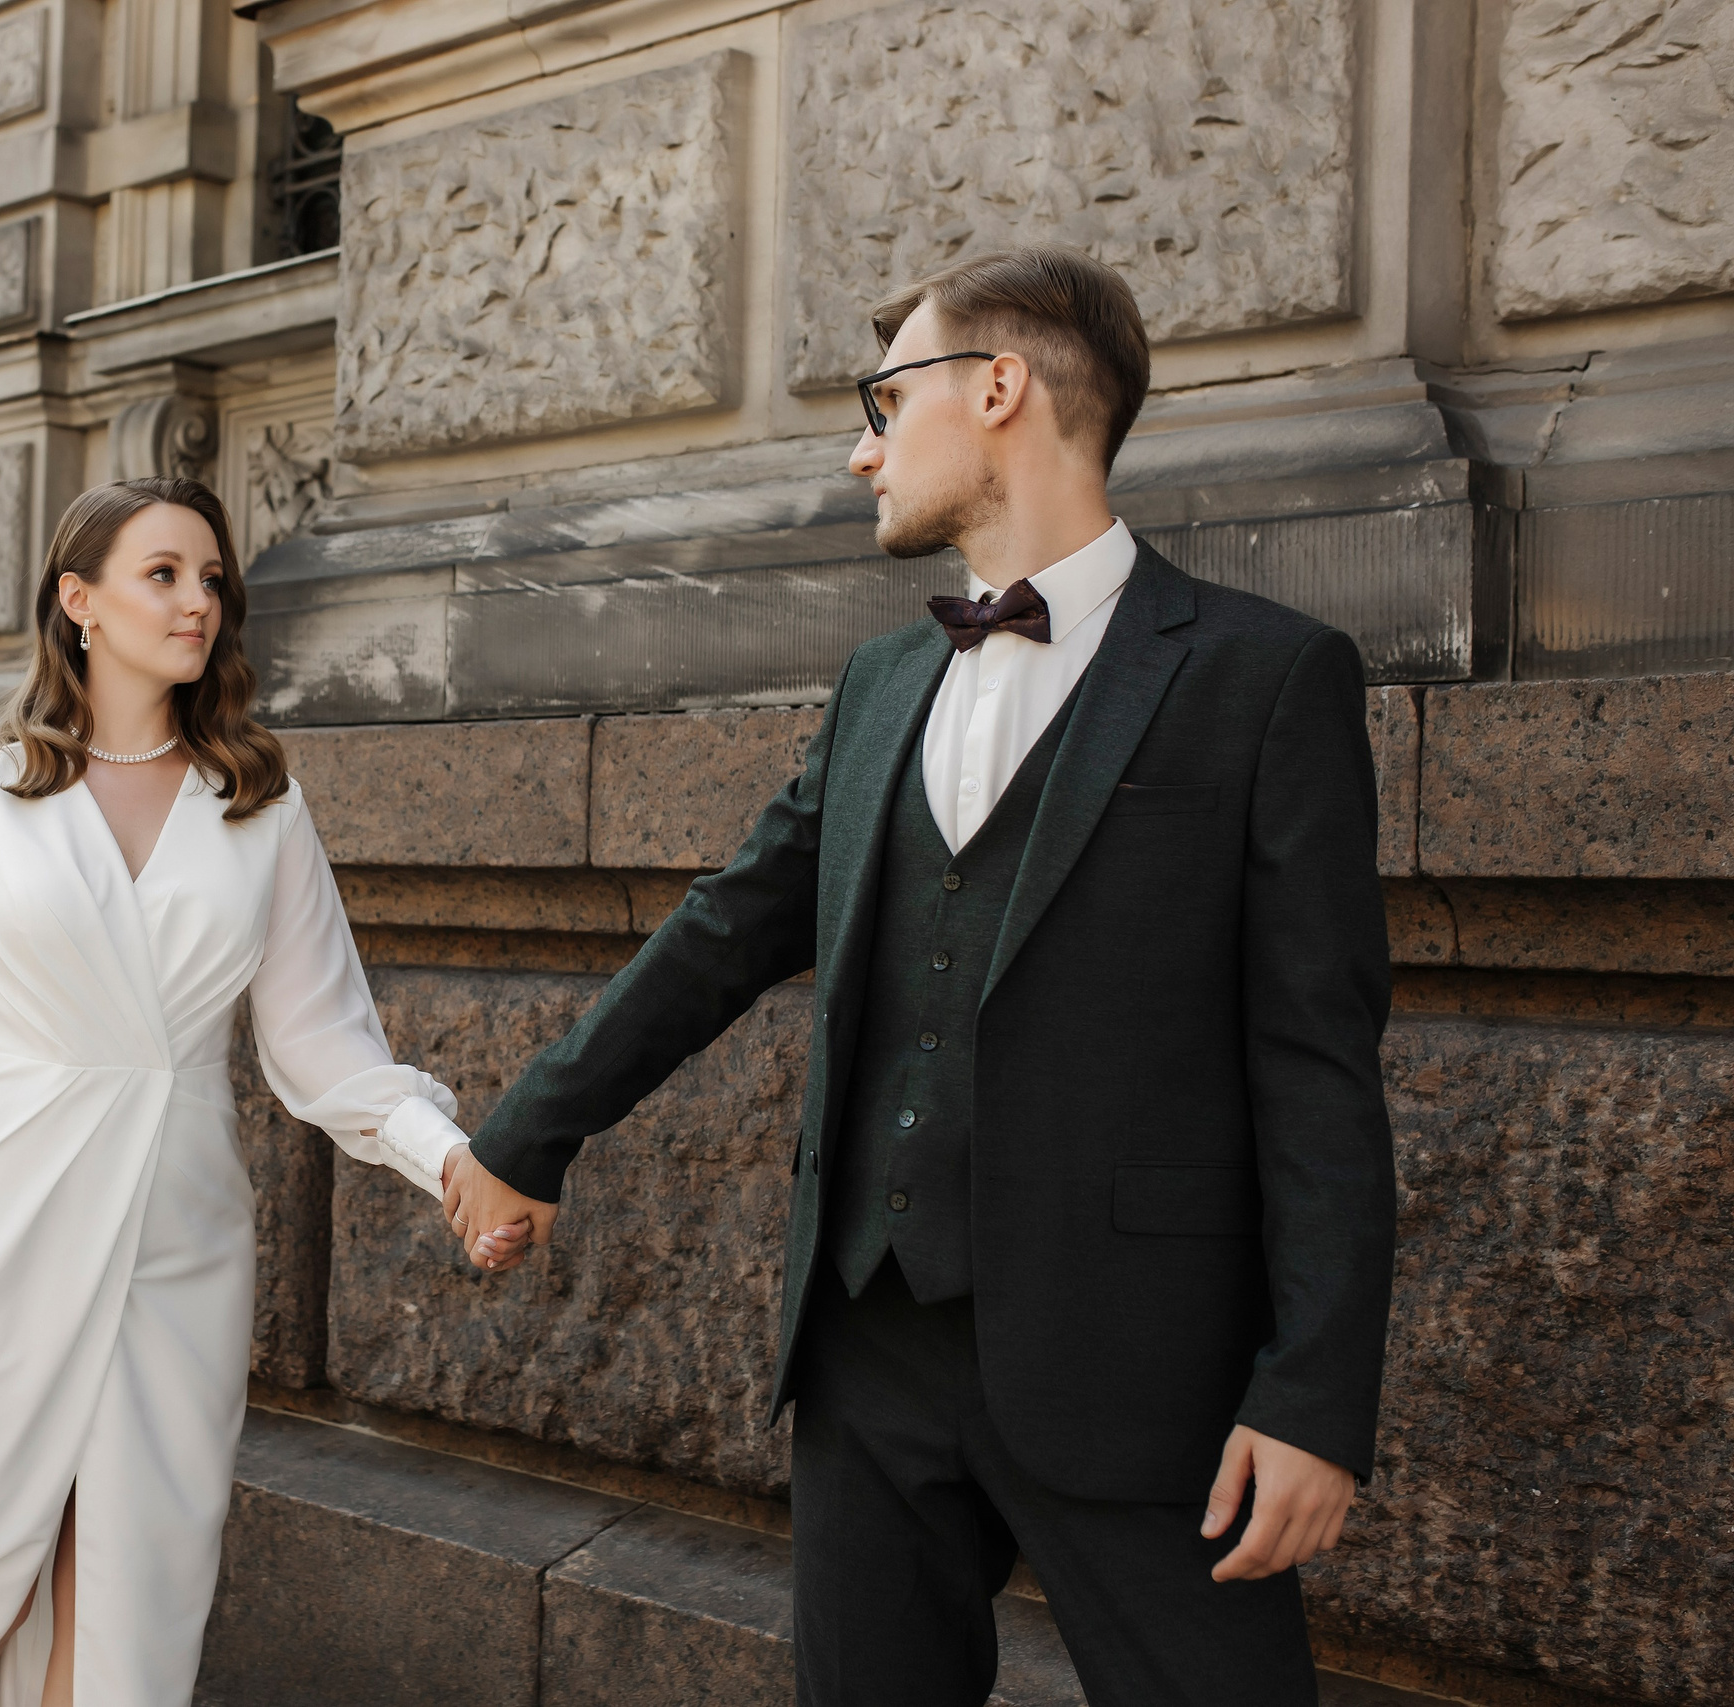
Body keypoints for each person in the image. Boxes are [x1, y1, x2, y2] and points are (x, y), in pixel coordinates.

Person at [442, 247, 1396, 1706]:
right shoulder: (882, 682)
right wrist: (529, 1131)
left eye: (888, 400)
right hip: (867, 1345)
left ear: (1000, 387)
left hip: (1139, 1373)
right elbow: (728, 928)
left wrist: (1314, 1395)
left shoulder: (1264, 678)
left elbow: (1317, 1062)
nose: (860, 445)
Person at [0, 476, 519, 1707]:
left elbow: (324, 1046)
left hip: (177, 1240)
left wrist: (446, 1155)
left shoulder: (258, 806)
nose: (198, 603)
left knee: (133, 1592)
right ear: (79, 601)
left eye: (212, 578)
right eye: (163, 575)